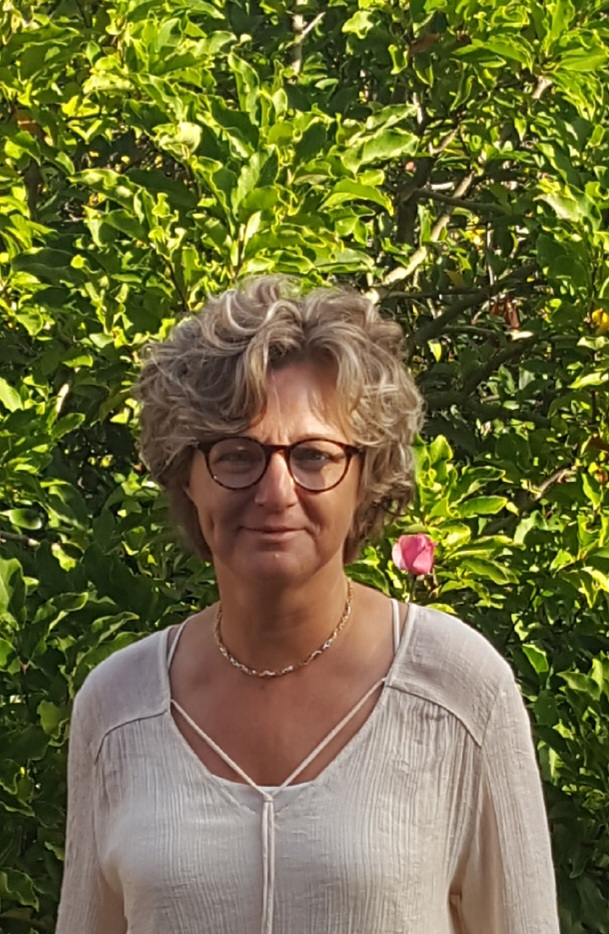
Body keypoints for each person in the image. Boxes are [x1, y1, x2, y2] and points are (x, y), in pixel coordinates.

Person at [56, 276, 559, 934]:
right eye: (236, 454)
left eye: (314, 456)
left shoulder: (458, 692)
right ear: (186, 474)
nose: (275, 491)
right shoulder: (119, 709)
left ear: (366, 475)